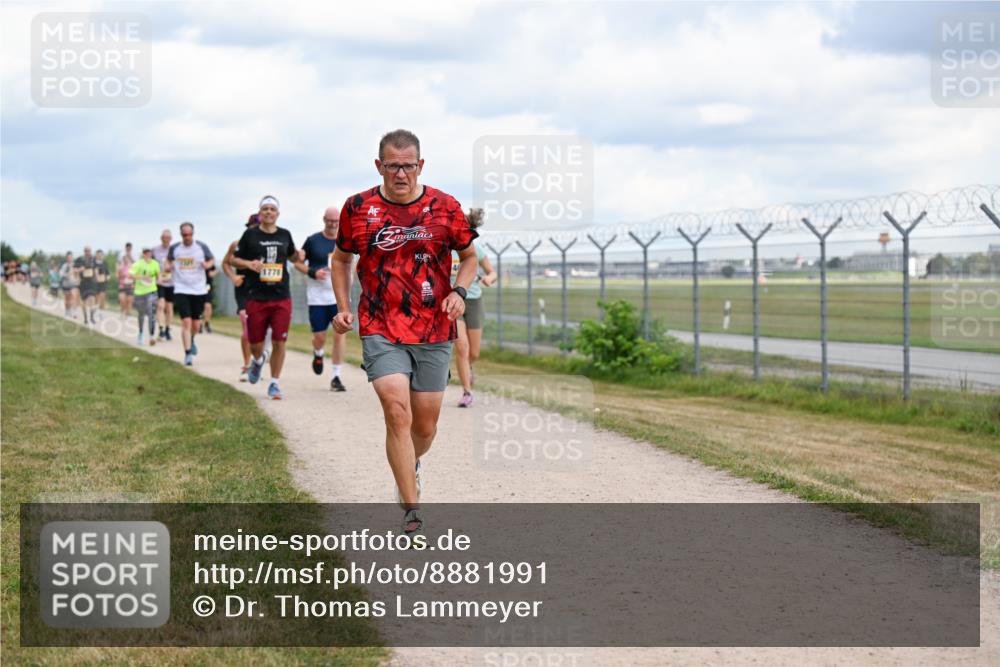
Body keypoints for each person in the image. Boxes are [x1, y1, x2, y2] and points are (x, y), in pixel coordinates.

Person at [331, 129, 478, 537]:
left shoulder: (445, 206)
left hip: (433, 327)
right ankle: (411, 507)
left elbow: (469, 257)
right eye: (392, 165)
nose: (401, 173)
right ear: (379, 166)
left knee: (425, 427)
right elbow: (341, 260)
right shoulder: (358, 208)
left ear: (421, 165)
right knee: (397, 410)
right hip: (380, 324)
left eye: (408, 165)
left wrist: (460, 292)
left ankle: (409, 464)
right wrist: (344, 307)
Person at [231, 196, 298, 399]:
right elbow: (234, 259)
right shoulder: (250, 235)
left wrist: (300, 256)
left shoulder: (285, 234)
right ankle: (258, 361)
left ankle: (274, 383)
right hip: (256, 296)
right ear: (260, 214)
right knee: (255, 344)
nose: (269, 212)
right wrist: (249, 264)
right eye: (265, 209)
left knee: (279, 341)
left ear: (278, 214)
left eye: (272, 209)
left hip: (281, 296)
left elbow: (293, 255)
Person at [294, 206, 347, 391]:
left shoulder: (345, 240)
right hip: (316, 298)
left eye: (336, 221)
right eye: (330, 220)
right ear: (324, 220)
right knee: (320, 337)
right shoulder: (313, 240)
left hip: (338, 297)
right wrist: (312, 272)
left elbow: (352, 264)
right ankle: (318, 353)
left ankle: (336, 376)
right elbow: (297, 263)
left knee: (340, 336)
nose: (333, 224)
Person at [452, 209, 497, 407]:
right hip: (454, 301)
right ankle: (466, 392)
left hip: (474, 300)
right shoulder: (445, 248)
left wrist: (489, 278)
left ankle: (469, 367)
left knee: (474, 352)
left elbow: (492, 272)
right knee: (462, 347)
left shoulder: (475, 250)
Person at [165, 222, 214, 366]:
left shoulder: (201, 247)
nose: (187, 237)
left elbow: (211, 260)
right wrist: (168, 267)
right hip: (181, 288)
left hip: (198, 289)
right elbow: (168, 262)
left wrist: (207, 265)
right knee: (186, 321)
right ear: (181, 235)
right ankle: (187, 354)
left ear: (193, 234)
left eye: (189, 234)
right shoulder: (175, 248)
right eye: (184, 234)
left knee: (196, 324)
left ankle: (192, 339)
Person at [223, 213, 260, 382]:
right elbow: (226, 262)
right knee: (247, 326)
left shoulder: (268, 242)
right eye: (252, 227)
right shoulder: (237, 244)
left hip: (263, 288)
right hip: (244, 288)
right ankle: (246, 365)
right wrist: (233, 277)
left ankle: (258, 360)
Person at [130, 247, 160, 346]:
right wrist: (143, 277)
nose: (147, 255)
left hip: (151, 291)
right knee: (141, 314)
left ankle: (151, 336)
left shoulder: (155, 264)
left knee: (151, 312)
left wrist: (160, 279)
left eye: (149, 253)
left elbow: (158, 276)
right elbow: (131, 275)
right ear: (143, 254)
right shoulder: (138, 264)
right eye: (145, 253)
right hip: (140, 292)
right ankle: (141, 333)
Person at [152, 229, 175, 341]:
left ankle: (167, 328)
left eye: (168, 238)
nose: (166, 239)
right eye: (164, 237)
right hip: (160, 282)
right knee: (161, 305)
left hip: (172, 282)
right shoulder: (155, 250)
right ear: (161, 238)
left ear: (170, 239)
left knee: (169, 307)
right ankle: (161, 328)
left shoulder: (175, 250)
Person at [75, 246, 99, 324]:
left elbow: (96, 269)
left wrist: (97, 278)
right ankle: (85, 318)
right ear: (84, 251)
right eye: (86, 251)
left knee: (92, 298)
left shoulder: (93, 259)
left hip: (91, 282)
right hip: (83, 282)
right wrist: (79, 270)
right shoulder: (79, 260)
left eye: (89, 251)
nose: (87, 252)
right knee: (84, 301)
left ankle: (91, 317)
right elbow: (74, 270)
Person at [59, 252, 80, 318]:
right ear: (66, 258)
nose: (69, 259)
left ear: (72, 258)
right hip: (66, 284)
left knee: (74, 296)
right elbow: (61, 274)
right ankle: (67, 312)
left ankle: (74, 312)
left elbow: (79, 273)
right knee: (67, 299)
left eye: (70, 257)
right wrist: (66, 275)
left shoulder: (75, 265)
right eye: (68, 257)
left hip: (74, 284)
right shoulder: (64, 266)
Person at [117, 243, 135, 318]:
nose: (126, 260)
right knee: (122, 300)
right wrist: (122, 275)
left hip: (130, 285)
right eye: (125, 259)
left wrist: (132, 277)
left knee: (129, 301)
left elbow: (136, 276)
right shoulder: (121, 267)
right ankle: (122, 311)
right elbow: (118, 276)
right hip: (122, 285)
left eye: (127, 259)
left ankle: (128, 313)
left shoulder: (133, 267)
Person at [94, 249, 111, 313]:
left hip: (103, 282)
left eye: (101, 255)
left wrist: (108, 277)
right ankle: (95, 310)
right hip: (95, 283)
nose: (100, 256)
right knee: (96, 298)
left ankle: (101, 311)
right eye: (98, 255)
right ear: (96, 255)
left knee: (102, 296)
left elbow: (108, 273)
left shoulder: (105, 263)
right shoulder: (93, 263)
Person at [203, 264, 216, 333]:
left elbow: (214, 272)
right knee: (199, 306)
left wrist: (212, 273)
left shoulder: (210, 261)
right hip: (198, 287)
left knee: (208, 306)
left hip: (207, 287)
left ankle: (207, 323)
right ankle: (199, 323)